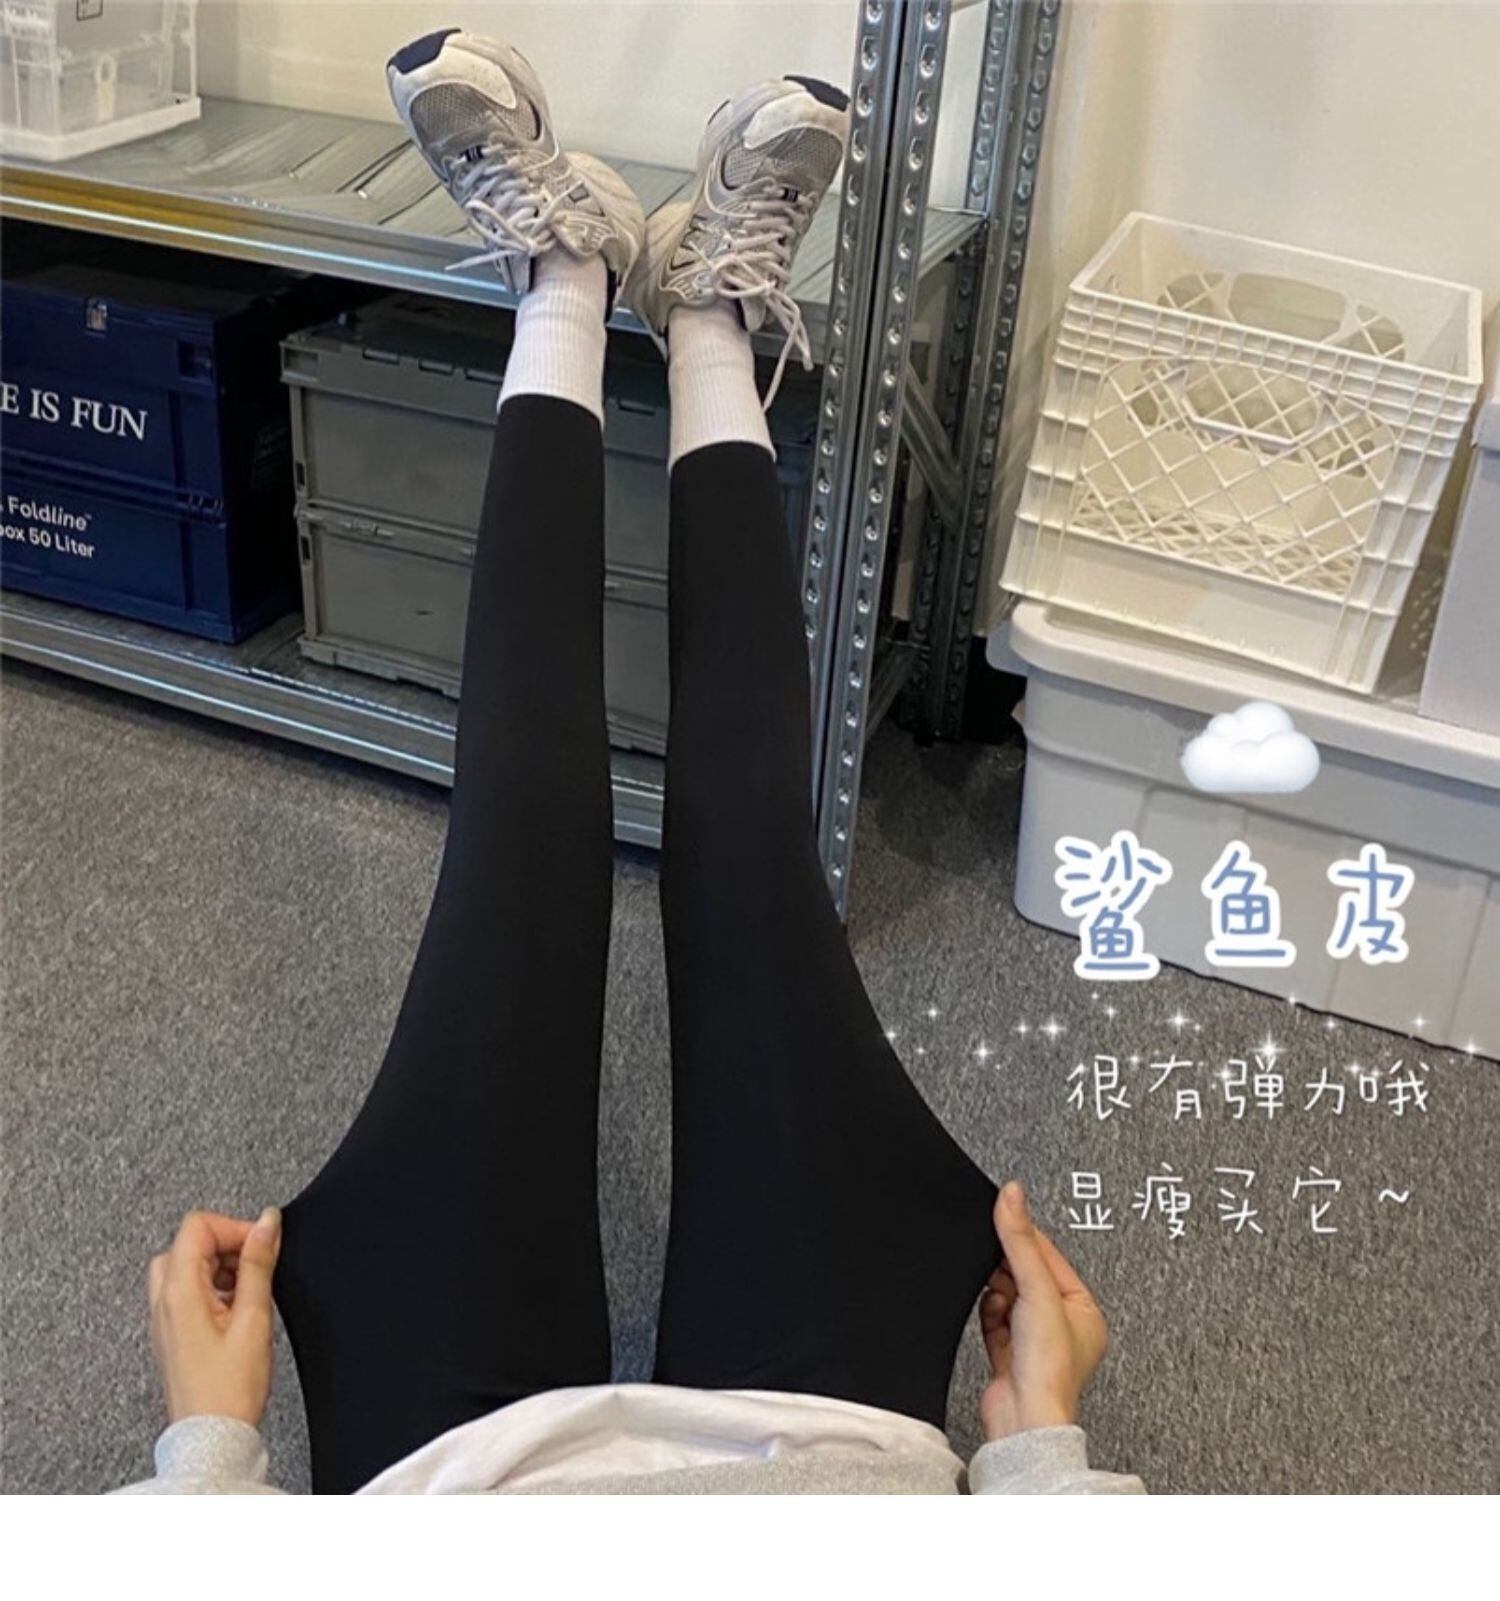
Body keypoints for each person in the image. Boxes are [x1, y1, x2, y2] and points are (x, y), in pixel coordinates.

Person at [118, 30, 1143, 1497]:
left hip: (456, 1480)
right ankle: (707, 315)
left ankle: (568, 283)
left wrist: (207, 1464)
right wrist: (1038, 1452)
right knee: (754, 860)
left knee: (519, 846)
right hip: (831, 1466)